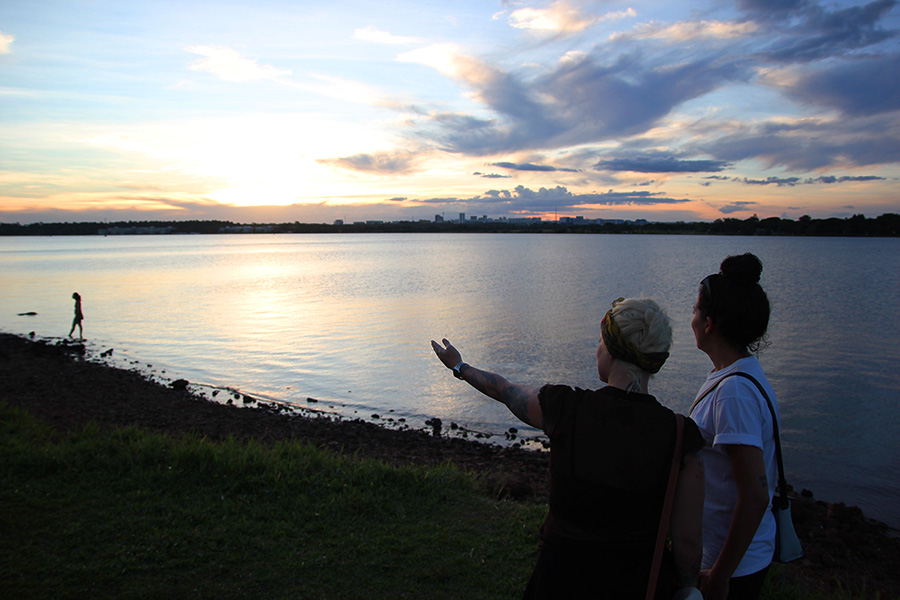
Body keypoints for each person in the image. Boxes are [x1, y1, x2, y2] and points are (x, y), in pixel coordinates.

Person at [431, 297, 705, 599]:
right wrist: (690, 588)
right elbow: (687, 539)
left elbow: (503, 389)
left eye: (600, 341)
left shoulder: (566, 409)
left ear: (612, 350)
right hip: (635, 582)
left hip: (561, 579)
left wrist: (458, 365)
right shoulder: (680, 434)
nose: (597, 348)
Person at [689, 253, 779, 600]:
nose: (692, 318)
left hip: (732, 567)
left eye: (696, 310)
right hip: (730, 557)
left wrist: (720, 575)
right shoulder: (734, 374)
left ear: (709, 323)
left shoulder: (735, 392)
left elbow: (755, 495)